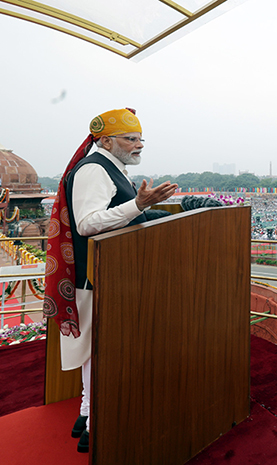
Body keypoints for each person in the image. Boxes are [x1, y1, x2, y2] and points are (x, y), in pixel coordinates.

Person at [44, 108, 178, 453]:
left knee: (95, 351)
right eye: (130, 139)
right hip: (96, 275)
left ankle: (87, 415)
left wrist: (151, 208)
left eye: (140, 139)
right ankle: (94, 418)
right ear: (105, 140)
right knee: (96, 351)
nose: (139, 145)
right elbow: (88, 223)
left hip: (109, 273)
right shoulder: (93, 169)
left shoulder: (109, 168)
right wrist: (138, 204)